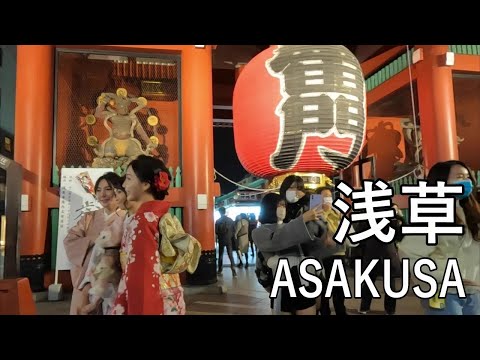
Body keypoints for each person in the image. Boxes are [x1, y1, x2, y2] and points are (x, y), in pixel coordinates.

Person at [398, 160, 480, 315]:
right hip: (443, 291)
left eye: (467, 177)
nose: (466, 181)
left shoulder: (473, 213)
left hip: (474, 291)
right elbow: (409, 254)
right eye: (459, 176)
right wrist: (446, 276)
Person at [111, 155, 185, 315]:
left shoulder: (142, 221)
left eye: (128, 179)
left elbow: (143, 280)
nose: (124, 184)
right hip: (169, 297)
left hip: (152, 301)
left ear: (145, 184)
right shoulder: (159, 216)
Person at [253, 193, 336, 315]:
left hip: (304, 281)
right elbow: (277, 240)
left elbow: (312, 248)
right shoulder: (259, 232)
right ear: (269, 207)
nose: (282, 208)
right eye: (279, 205)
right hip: (282, 285)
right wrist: (302, 219)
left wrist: (322, 231)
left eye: (284, 205)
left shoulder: (292, 225)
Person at [64, 172, 125, 315]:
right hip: (87, 276)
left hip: (115, 278)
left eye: (108, 189)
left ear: (118, 190)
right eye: (98, 190)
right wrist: (92, 242)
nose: (102, 194)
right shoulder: (89, 217)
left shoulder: (125, 217)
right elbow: (70, 239)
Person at [215, 207, 237, 277]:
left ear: (220, 212)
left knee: (220, 255)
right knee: (230, 255)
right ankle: (233, 270)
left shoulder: (218, 221)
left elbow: (216, 231)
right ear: (225, 212)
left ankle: (220, 270)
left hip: (221, 239)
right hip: (229, 239)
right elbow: (234, 230)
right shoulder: (230, 220)